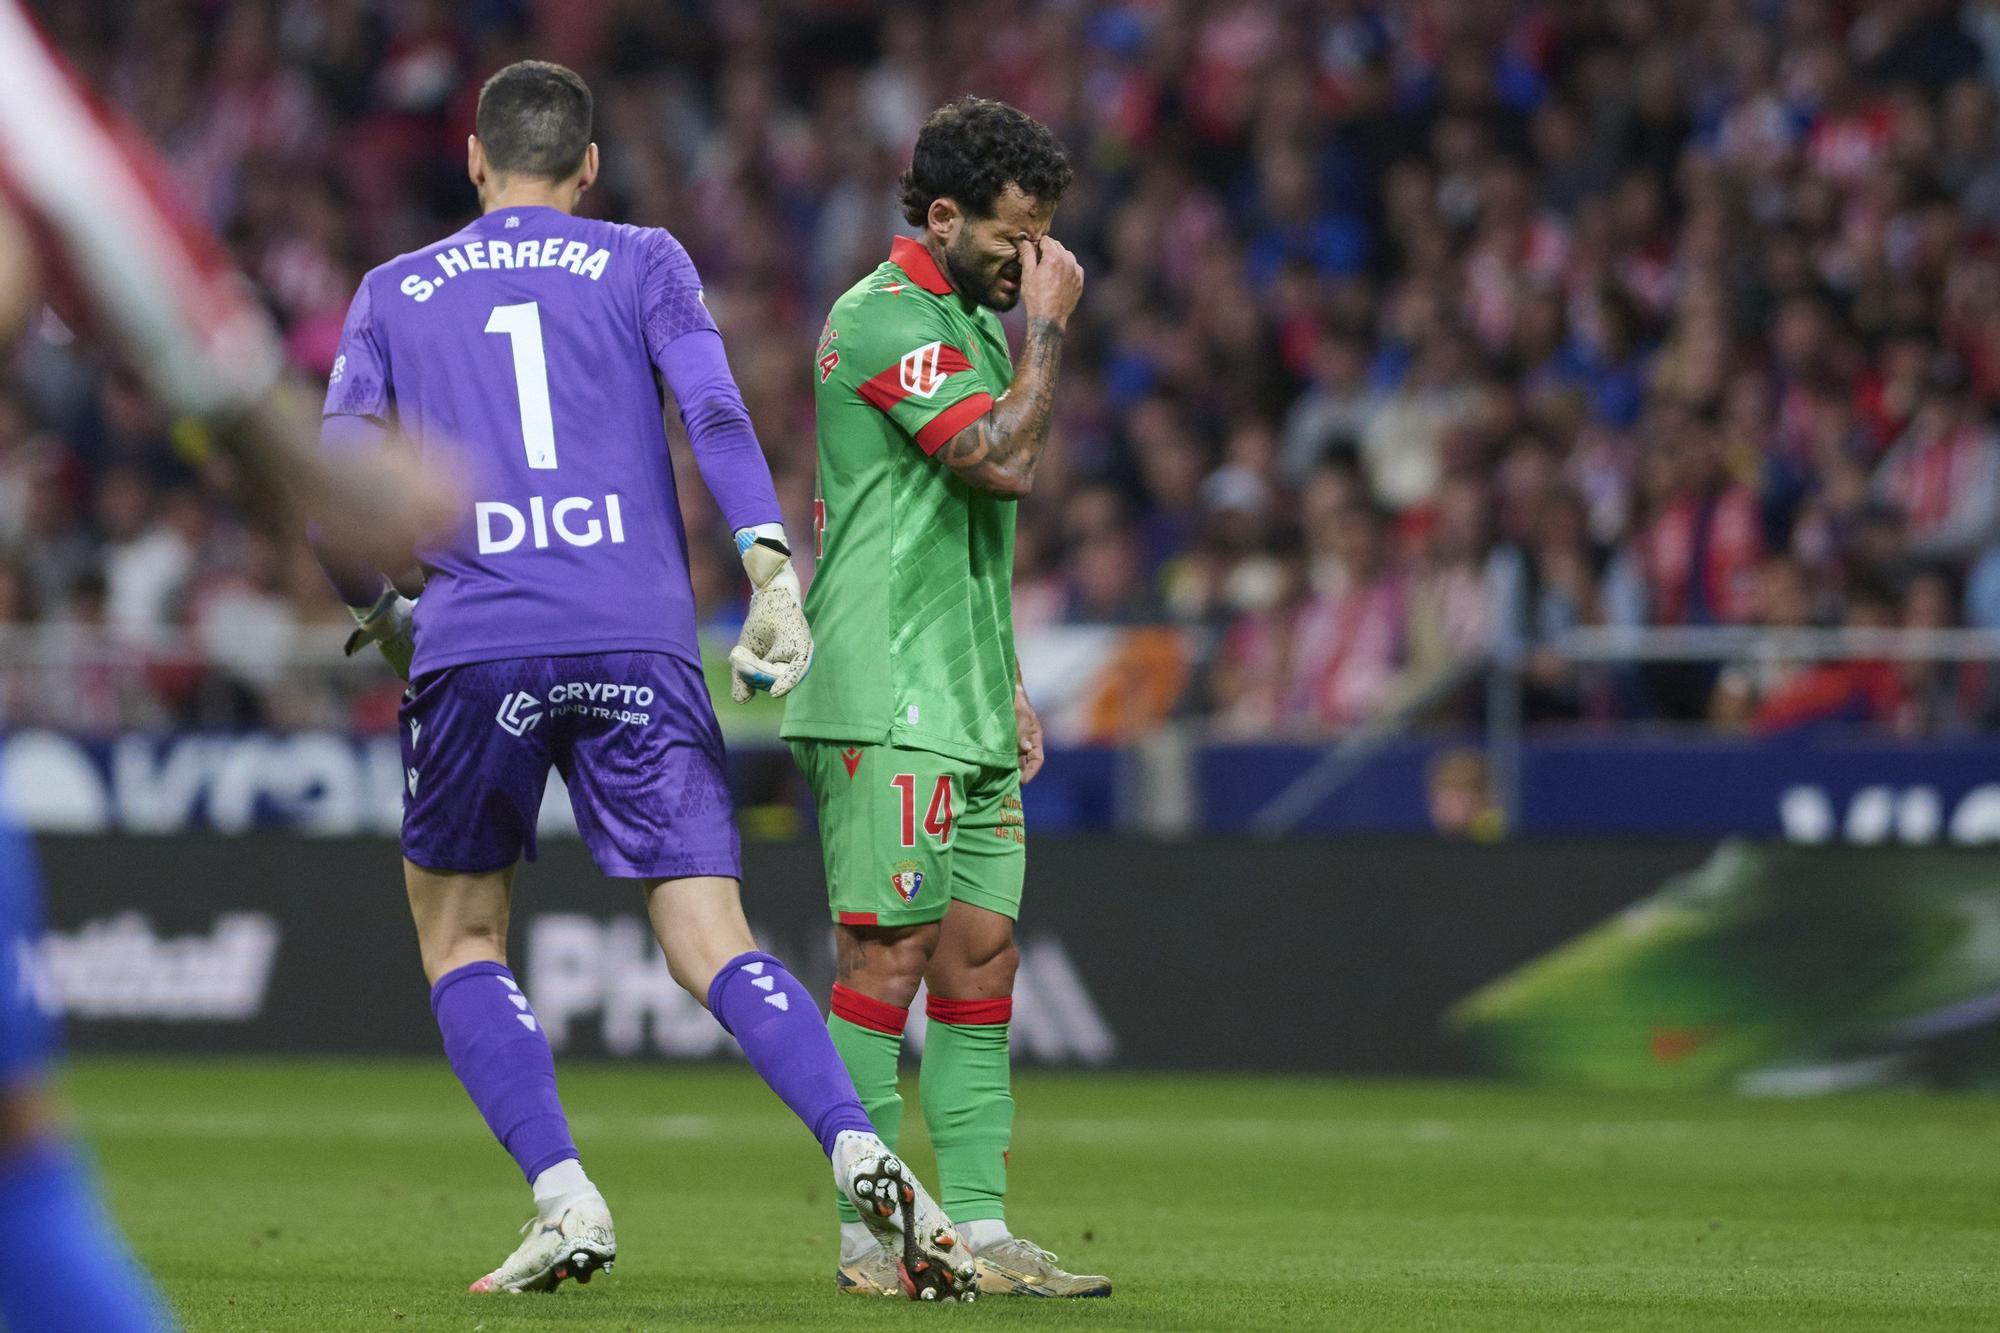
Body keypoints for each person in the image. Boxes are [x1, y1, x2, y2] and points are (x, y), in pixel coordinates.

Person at [319, 61, 972, 1301]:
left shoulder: (391, 290)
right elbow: (716, 415)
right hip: (637, 636)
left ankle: (565, 1195)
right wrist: (770, 571)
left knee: (459, 932)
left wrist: (379, 609)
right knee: (707, 935)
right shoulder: (643, 257)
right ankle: (856, 1147)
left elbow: (331, 494)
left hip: (478, 636)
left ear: (473, 160)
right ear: (589, 168)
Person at [782, 95, 1111, 1300]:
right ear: (941, 215)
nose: (1035, 264)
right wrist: (1048, 334)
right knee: (887, 958)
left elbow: (970, 529)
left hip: (965, 694)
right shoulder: (881, 322)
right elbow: (1004, 464)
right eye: (1017, 238)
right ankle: (869, 1239)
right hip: (883, 692)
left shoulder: (971, 324)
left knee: (981, 956)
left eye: (1043, 243)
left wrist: (1009, 678)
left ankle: (975, 1225)